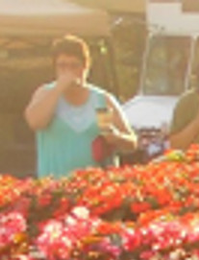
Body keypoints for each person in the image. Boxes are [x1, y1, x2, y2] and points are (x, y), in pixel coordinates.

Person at [24, 35, 135, 178]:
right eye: (62, 66)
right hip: (54, 187)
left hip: (94, 188)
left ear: (85, 68)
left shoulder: (102, 99)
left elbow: (132, 142)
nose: (68, 71)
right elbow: (35, 122)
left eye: (74, 66)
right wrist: (59, 88)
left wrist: (117, 138)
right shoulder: (45, 93)